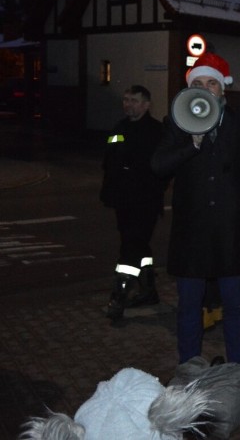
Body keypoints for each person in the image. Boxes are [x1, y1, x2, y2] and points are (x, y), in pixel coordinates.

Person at [151, 52, 240, 365]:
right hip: (191, 232)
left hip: (229, 231)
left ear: (223, 89)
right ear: (189, 89)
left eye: (212, 83)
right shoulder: (178, 124)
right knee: (189, 308)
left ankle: (237, 370)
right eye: (199, 83)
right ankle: (189, 370)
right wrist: (190, 145)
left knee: (234, 308)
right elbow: (157, 166)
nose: (206, 88)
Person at [100, 85, 167, 322]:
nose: (129, 104)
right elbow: (109, 161)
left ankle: (118, 296)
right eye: (126, 100)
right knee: (138, 246)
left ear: (146, 104)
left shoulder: (156, 131)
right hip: (123, 201)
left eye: (134, 100)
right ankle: (149, 291)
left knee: (129, 248)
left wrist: (150, 188)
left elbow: (163, 169)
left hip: (144, 202)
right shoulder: (120, 127)